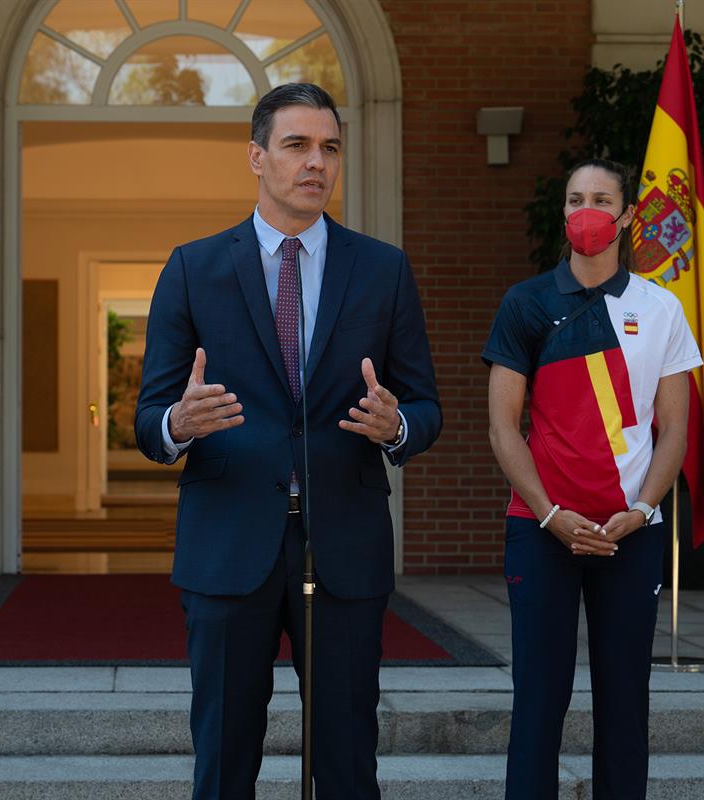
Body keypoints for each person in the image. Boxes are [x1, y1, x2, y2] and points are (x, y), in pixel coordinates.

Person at [134, 83, 441, 800]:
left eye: (329, 148)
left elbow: (425, 405)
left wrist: (397, 426)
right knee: (222, 758)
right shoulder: (194, 267)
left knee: (344, 760)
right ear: (256, 155)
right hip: (228, 542)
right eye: (297, 145)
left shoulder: (383, 269)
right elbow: (151, 416)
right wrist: (178, 423)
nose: (316, 163)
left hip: (344, 543)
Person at [483, 159, 699, 798]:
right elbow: (502, 428)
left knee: (626, 703)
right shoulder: (525, 303)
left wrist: (641, 509)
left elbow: (675, 432)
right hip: (541, 530)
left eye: (602, 199)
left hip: (631, 533)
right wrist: (550, 514)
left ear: (628, 215)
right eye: (576, 199)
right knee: (538, 703)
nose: (587, 212)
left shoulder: (661, 309)